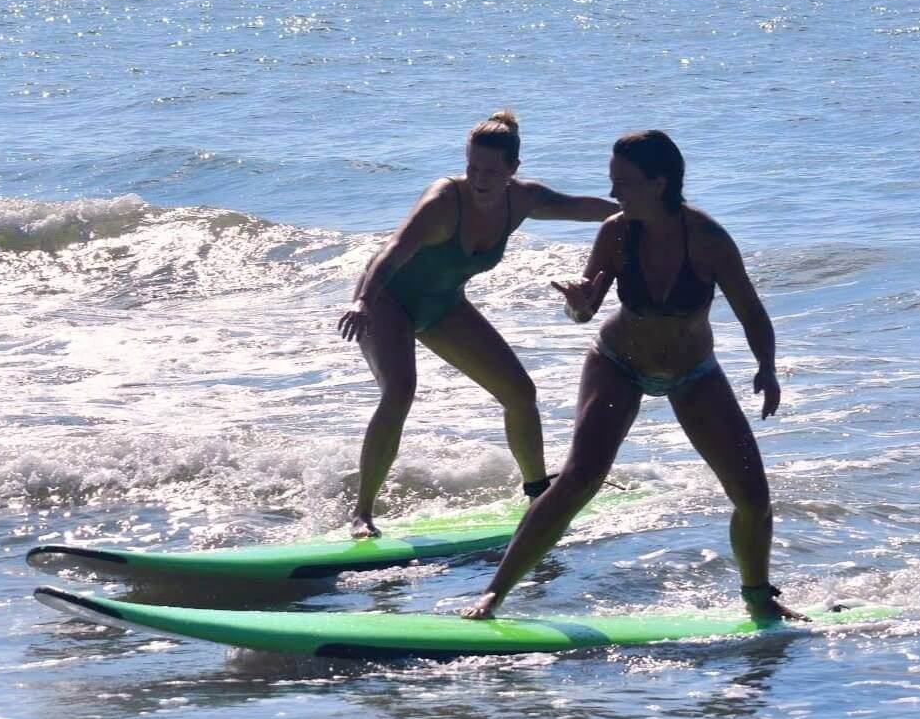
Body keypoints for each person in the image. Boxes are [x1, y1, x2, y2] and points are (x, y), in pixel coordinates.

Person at [461, 129, 807, 622]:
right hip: (617, 363)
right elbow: (587, 308)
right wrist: (578, 308)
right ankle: (495, 592)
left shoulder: (707, 238)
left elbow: (751, 310)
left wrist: (767, 368)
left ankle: (759, 598)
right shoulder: (616, 233)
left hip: (693, 373)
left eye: (622, 182)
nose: (613, 193)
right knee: (579, 479)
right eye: (611, 181)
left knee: (753, 496)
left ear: (659, 182)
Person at [338, 110, 618, 538]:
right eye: (472, 167)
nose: (480, 177)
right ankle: (362, 513)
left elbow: (586, 208)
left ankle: (537, 493)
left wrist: (649, 213)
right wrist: (361, 301)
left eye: (490, 170)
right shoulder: (442, 202)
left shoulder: (523, 199)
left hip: (443, 307)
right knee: (400, 391)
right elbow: (390, 252)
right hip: (386, 302)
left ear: (513, 169)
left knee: (520, 393)